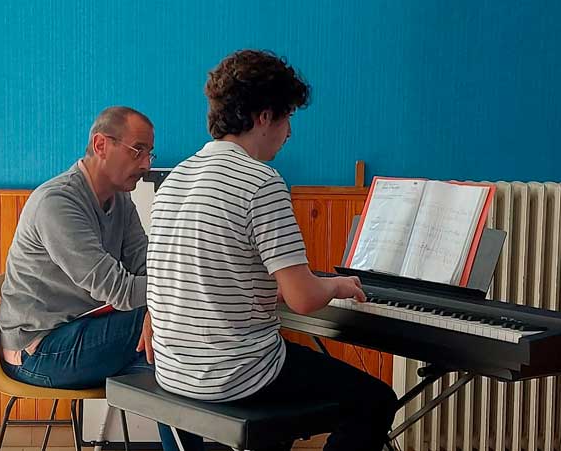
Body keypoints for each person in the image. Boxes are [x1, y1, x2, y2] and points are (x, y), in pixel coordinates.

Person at [146, 50, 400, 451]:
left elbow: (209, 278)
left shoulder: (176, 179)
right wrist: (336, 285)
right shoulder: (260, 182)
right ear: (264, 117)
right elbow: (303, 299)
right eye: (287, 118)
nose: (289, 133)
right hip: (235, 377)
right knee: (376, 400)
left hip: (174, 371)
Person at [0, 106, 199, 450]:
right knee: (171, 339)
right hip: (38, 350)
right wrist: (173, 299)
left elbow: (145, 265)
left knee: (169, 364)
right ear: (101, 145)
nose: (146, 164)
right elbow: (120, 290)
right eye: (138, 151)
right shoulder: (57, 203)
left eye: (149, 153)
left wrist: (155, 309)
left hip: (84, 332)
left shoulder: (120, 200)